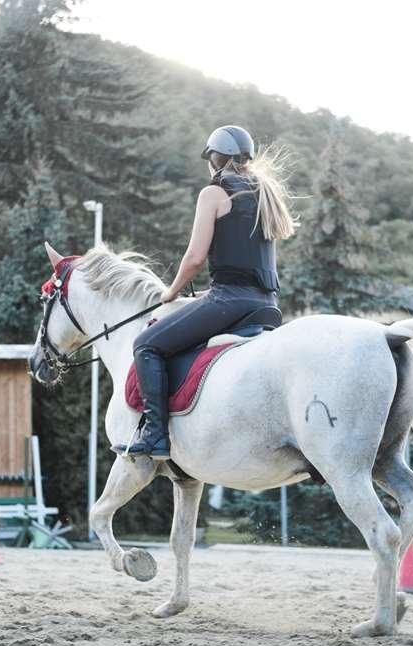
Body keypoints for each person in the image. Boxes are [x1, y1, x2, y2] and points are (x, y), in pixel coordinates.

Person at [119, 125, 298, 460]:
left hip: (229, 301)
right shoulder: (265, 192)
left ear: (215, 158)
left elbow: (195, 257)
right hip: (266, 305)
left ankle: (156, 436)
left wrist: (171, 292)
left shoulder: (214, 192)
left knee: (146, 344)